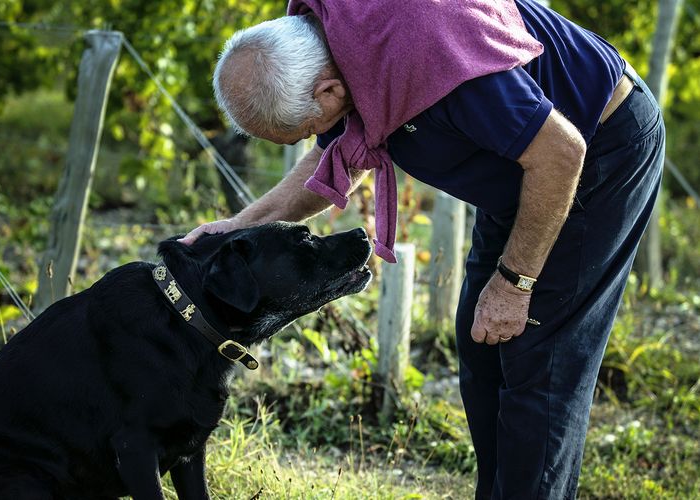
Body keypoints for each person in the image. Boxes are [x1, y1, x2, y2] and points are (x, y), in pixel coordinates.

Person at [180, 0, 664, 497]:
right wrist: (239, 227)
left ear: (329, 91)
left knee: (540, 362)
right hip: (519, 169)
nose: (316, 138)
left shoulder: (434, 51)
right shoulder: (337, 43)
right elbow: (336, 159)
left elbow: (560, 153)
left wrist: (515, 282)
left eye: (304, 131)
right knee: (482, 347)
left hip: (593, 150)